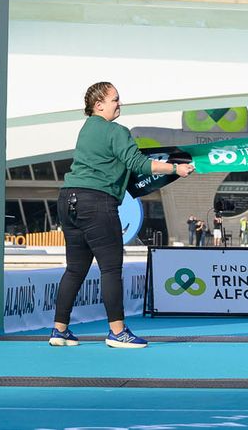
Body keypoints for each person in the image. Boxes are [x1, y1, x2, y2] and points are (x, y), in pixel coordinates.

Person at [51, 82, 193, 349]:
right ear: (98, 105)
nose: (119, 103)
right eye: (115, 99)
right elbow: (138, 163)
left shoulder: (86, 130)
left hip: (68, 200)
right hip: (96, 203)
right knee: (111, 268)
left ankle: (59, 330)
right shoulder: (116, 131)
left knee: (75, 269)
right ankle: (117, 332)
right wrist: (175, 169)